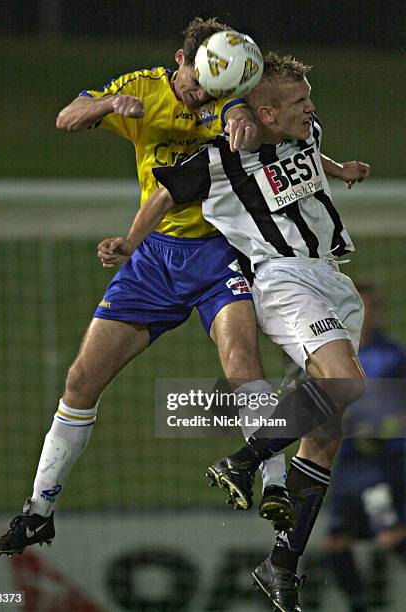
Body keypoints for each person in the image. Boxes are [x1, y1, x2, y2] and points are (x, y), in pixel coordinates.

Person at [0, 18, 292, 559]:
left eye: (217, 86)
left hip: (218, 253)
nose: (206, 93)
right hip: (153, 258)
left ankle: (275, 486)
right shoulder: (143, 88)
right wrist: (108, 106)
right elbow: (66, 118)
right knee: (81, 380)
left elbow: (241, 118)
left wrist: (241, 116)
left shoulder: (224, 100)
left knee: (243, 363)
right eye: (199, 81)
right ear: (180, 60)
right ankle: (39, 511)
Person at [97, 52, 370, 610]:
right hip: (284, 278)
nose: (310, 107)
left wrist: (340, 171)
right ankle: (243, 459)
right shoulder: (222, 154)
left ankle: (280, 564)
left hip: (333, 280)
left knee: (328, 428)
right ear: (263, 111)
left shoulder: (306, 129)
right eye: (297, 102)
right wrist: (130, 242)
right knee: (348, 384)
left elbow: (310, 155)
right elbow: (164, 194)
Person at [324, 282, 406, 612]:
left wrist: (384, 424)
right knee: (334, 543)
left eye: (368, 306)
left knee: (389, 534)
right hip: (347, 465)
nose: (362, 313)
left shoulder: (392, 357)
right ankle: (359, 605)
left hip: (380, 465)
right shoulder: (331, 353)